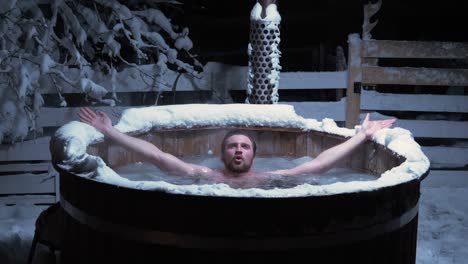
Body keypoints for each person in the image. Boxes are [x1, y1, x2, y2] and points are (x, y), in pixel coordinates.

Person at [78, 107, 396, 186]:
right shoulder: (204, 175)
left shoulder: (269, 180)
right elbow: (157, 156)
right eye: (232, 146)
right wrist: (109, 132)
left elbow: (319, 165)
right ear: (223, 154)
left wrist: (361, 136)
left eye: (245, 146)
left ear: (254, 155)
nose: (239, 150)